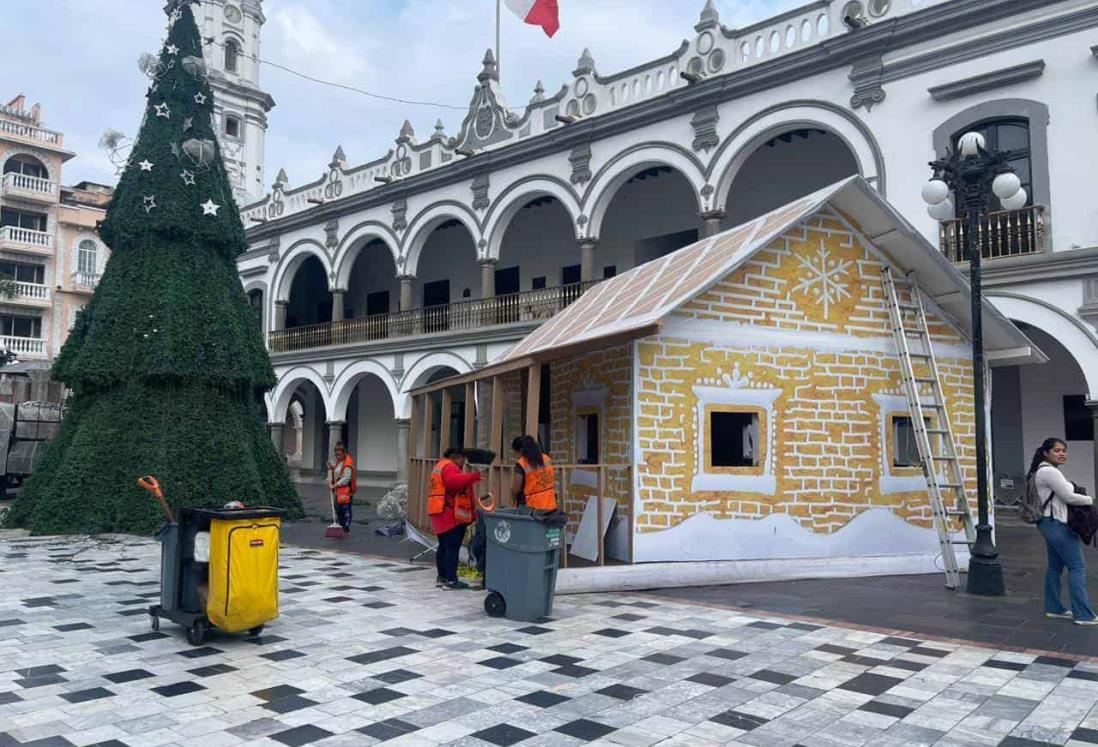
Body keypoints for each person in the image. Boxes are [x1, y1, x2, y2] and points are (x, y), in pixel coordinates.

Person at [1029, 437, 1097, 625]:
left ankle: (1054, 608)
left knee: (1055, 567)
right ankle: (1084, 615)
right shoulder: (1049, 472)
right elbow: (1069, 497)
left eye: (1064, 451)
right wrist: (1092, 500)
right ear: (1046, 453)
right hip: (1057, 524)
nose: (1062, 454)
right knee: (1077, 567)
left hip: (1047, 523)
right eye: (1057, 450)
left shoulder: (1042, 471)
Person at [427, 447, 481, 590]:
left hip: (439, 511)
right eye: (464, 461)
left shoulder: (441, 465)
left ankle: (442, 577)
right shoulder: (449, 467)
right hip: (448, 513)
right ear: (458, 457)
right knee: (452, 548)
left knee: (444, 547)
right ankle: (451, 580)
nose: (464, 464)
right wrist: (473, 476)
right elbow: (453, 482)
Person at [511, 435, 557, 512]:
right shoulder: (546, 458)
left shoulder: (522, 463)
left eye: (515, 452)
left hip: (531, 508)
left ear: (521, 450)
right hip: (550, 505)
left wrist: (512, 497)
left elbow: (516, 490)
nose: (514, 455)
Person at [326, 442, 355, 534]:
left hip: (346, 490)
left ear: (344, 453)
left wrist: (334, 485)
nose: (337, 456)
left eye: (339, 454)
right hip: (339, 491)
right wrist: (332, 468)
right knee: (338, 508)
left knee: (345, 509)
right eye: (336, 455)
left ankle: (346, 528)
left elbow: (346, 478)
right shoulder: (340, 461)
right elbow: (338, 471)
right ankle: (341, 526)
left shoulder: (348, 463)